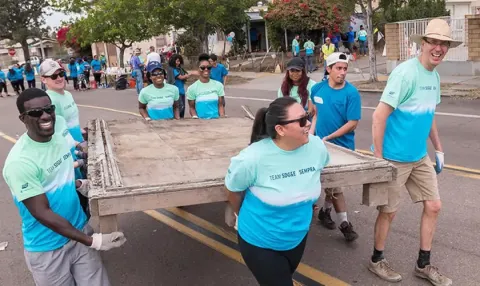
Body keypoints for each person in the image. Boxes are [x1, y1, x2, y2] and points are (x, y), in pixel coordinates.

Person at [3, 88, 126, 286]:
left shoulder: (57, 138)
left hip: (79, 230)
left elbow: (58, 174)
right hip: (48, 249)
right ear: (23, 118)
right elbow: (42, 213)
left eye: (49, 109)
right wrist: (93, 241)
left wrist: (78, 184)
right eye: (36, 113)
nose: (45, 115)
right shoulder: (20, 162)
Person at [368, 19, 459, 286]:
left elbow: (428, 115)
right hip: (394, 158)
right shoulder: (406, 74)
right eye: (434, 42)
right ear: (423, 43)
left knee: (434, 206)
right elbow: (378, 116)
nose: (439, 48)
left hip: (419, 157)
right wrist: (379, 160)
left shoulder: (434, 76)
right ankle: (376, 260)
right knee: (389, 211)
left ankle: (423, 264)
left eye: (444, 44)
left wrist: (439, 149)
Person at [225, 97, 330, 285]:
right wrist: (239, 213)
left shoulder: (317, 147)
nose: (308, 123)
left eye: (308, 116)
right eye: (301, 121)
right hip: (259, 241)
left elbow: (313, 177)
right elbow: (233, 190)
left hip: (297, 237)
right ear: (280, 129)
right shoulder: (251, 159)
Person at [310, 52, 361, 242]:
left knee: (334, 183)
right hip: (321, 146)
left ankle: (325, 212)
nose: (343, 72)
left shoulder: (351, 93)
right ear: (328, 69)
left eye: (345, 69)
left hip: (343, 147)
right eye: (338, 68)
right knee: (334, 185)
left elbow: (353, 123)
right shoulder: (317, 90)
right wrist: (310, 137)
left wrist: (330, 137)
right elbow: (315, 114)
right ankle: (344, 224)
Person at [187, 53, 225, 119]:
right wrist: (195, 117)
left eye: (209, 67)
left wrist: (222, 117)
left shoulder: (219, 85)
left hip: (217, 124)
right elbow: (192, 108)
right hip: (201, 125)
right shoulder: (191, 88)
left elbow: (220, 106)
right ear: (198, 69)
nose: (206, 69)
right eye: (202, 67)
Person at [168, 54, 189, 118]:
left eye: (179, 61)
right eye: (177, 61)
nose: (178, 63)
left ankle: (181, 118)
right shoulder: (172, 70)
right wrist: (187, 75)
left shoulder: (179, 69)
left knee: (183, 106)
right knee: (179, 106)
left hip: (181, 90)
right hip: (176, 91)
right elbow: (181, 77)